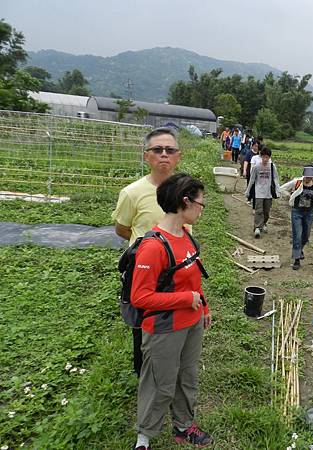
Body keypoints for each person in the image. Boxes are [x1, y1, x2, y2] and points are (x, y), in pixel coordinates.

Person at [130, 173, 212, 450]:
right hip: (164, 328)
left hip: (192, 322)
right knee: (159, 384)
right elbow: (140, 297)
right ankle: (144, 437)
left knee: (187, 378)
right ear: (185, 202)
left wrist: (204, 306)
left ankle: (183, 425)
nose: (202, 209)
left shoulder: (187, 237)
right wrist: (184, 299)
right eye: (201, 203)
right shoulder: (153, 246)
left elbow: (194, 279)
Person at [112, 127, 182, 376]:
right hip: (146, 272)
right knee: (143, 324)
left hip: (178, 271)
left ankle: (169, 367)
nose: (164, 154)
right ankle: (143, 372)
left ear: (178, 156)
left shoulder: (185, 190)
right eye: (157, 149)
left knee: (175, 321)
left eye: (170, 150)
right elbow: (122, 229)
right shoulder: (132, 193)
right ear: (146, 156)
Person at [280, 165, 313, 270]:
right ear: (304, 176)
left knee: (306, 235)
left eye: (310, 178)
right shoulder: (297, 182)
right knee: (297, 235)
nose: (308, 179)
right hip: (297, 212)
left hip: (309, 213)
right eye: (307, 177)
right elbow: (282, 188)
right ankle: (296, 259)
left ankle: (300, 250)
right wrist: (290, 195)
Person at [245, 146, 280, 238]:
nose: (265, 159)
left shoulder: (272, 167)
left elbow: (276, 178)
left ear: (269, 157)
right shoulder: (256, 167)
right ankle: (257, 227)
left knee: (266, 212)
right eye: (263, 157)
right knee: (258, 210)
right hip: (259, 192)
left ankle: (264, 223)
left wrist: (278, 190)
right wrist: (248, 191)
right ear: (261, 156)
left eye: (267, 157)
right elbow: (252, 180)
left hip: (268, 193)